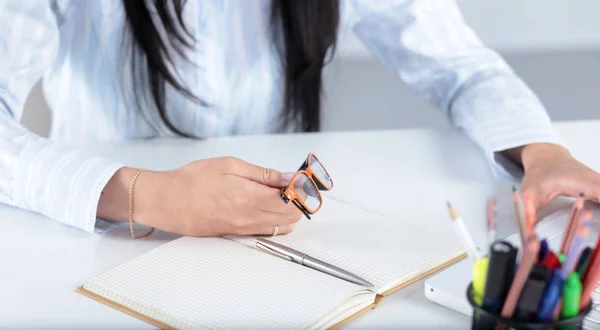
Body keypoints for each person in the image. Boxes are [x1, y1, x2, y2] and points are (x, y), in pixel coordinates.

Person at [1, 0, 598, 238]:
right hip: (93, 229)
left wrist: (542, 152)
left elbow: (460, 65)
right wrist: (144, 195)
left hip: (266, 229)